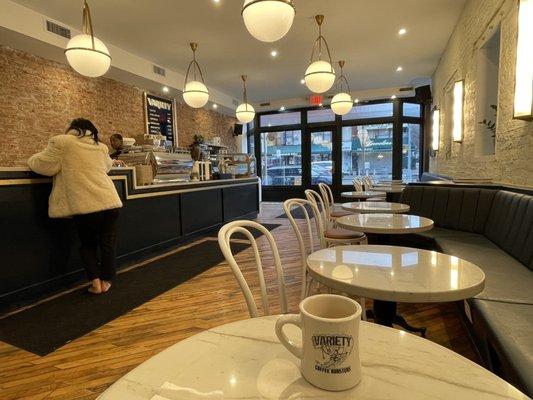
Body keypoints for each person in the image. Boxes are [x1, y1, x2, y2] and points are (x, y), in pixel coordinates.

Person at [28, 118, 123, 295]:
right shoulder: (100, 146)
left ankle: (96, 284)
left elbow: (42, 165)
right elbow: (107, 166)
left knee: (88, 245)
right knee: (108, 244)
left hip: (86, 204)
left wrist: (31, 159)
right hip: (110, 202)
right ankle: (107, 281)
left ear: (72, 128)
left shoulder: (62, 142)